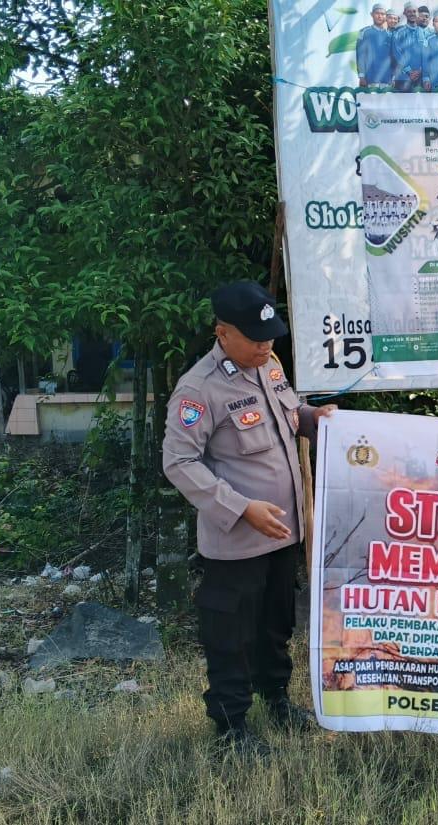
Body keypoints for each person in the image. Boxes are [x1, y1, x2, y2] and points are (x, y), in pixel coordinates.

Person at [163, 281, 338, 757]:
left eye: (271, 336)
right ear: (222, 332)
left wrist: (314, 418)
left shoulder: (270, 366)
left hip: (283, 533)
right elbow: (179, 462)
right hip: (238, 542)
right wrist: (241, 508)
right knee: (231, 635)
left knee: (275, 627)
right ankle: (231, 726)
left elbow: (290, 416)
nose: (266, 345)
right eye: (256, 338)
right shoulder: (199, 389)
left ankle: (277, 700)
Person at [357, 3, 393, 88]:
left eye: (382, 14)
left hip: (387, 80)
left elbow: (392, 58)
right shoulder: (364, 32)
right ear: (372, 14)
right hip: (370, 79)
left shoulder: (390, 35)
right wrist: (361, 76)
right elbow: (360, 55)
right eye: (377, 13)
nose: (380, 16)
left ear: (385, 16)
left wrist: (393, 77)